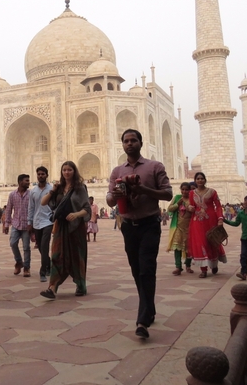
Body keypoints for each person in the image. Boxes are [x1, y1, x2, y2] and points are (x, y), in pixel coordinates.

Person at [106, 130, 172, 339]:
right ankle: (149, 309)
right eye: (126, 141)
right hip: (128, 226)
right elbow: (109, 200)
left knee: (146, 269)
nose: (130, 144)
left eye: (133, 140)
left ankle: (142, 320)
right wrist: (115, 195)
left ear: (141, 143)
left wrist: (143, 190)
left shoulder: (154, 167)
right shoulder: (117, 171)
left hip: (149, 224)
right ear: (122, 145)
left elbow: (168, 193)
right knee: (137, 270)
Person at [40, 161, 91, 300]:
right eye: (64, 170)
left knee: (76, 256)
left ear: (74, 171)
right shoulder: (59, 188)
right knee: (57, 254)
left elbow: (87, 209)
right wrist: (53, 190)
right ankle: (52, 288)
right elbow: (43, 202)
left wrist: (76, 215)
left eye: (69, 170)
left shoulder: (80, 188)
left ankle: (80, 285)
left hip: (76, 227)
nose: (66, 172)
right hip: (61, 226)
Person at [187, 172, 226, 278]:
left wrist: (220, 219)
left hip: (210, 220)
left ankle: (214, 264)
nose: (200, 180)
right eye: (198, 178)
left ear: (205, 180)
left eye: (202, 178)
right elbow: (192, 206)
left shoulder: (212, 192)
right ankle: (203, 269)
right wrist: (190, 208)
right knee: (201, 243)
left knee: (212, 242)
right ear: (195, 180)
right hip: (197, 222)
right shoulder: (191, 193)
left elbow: (218, 206)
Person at [223, 195, 247, 280]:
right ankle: (243, 272)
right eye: (245, 200)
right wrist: (225, 220)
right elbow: (236, 224)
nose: (245, 202)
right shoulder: (240, 213)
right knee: (243, 256)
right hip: (245, 238)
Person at [28, 166, 53, 282]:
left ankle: (42, 272)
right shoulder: (33, 191)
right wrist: (30, 222)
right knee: (41, 248)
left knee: (44, 246)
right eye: (39, 174)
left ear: (47, 175)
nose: (40, 176)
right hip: (37, 222)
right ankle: (49, 264)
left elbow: (55, 205)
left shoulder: (52, 189)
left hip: (48, 221)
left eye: (43, 174)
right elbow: (31, 208)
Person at [5, 174, 32, 277]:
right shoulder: (12, 194)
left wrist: (32, 223)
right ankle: (19, 261)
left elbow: (33, 209)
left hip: (27, 225)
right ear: (20, 182)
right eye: (26, 181)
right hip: (16, 223)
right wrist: (6, 224)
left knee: (26, 247)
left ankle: (26, 267)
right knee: (12, 243)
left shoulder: (31, 194)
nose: (28, 182)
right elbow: (8, 209)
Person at [166, 182, 193, 275]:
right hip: (178, 226)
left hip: (190, 227)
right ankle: (178, 267)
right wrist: (177, 204)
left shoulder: (192, 199)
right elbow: (170, 208)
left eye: (186, 189)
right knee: (177, 247)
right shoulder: (177, 198)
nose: (184, 191)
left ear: (190, 190)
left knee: (189, 247)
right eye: (183, 189)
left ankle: (188, 265)